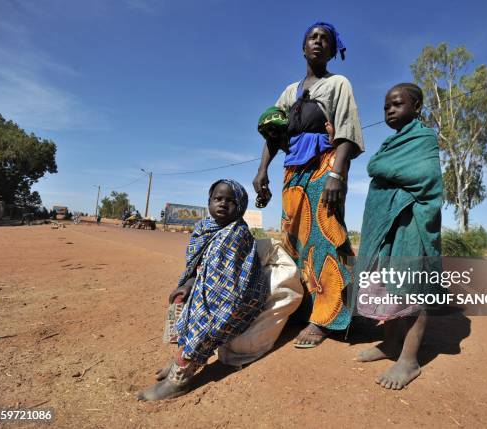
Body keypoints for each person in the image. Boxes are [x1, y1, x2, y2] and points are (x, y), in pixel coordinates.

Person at [253, 22, 364, 348]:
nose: (318, 42)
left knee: (326, 235)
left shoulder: (338, 84)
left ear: (331, 50)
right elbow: (274, 134)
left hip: (322, 168)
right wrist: (262, 171)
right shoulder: (289, 92)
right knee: (293, 241)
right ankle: (301, 310)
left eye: (324, 39)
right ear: (303, 48)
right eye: (312, 38)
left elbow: (346, 131)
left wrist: (336, 175)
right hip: (293, 174)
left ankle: (327, 318)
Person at [137, 179, 268, 401]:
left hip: (235, 297)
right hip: (206, 287)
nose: (223, 204)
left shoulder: (236, 234)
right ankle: (180, 355)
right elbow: (198, 266)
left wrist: (202, 296)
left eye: (230, 201)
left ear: (241, 206)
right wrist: (187, 285)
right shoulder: (205, 228)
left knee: (204, 318)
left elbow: (229, 283)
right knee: (181, 304)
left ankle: (181, 377)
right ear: (209, 201)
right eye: (218, 198)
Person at [353, 83, 444, 390]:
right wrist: (383, 168)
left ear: (416, 106)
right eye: (385, 106)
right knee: (387, 285)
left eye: (396, 104)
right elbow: (380, 167)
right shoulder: (392, 143)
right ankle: (390, 344)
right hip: (388, 227)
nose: (389, 110)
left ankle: (409, 359)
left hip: (412, 225)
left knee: (411, 289)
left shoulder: (424, 138)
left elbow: (428, 179)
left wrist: (381, 167)